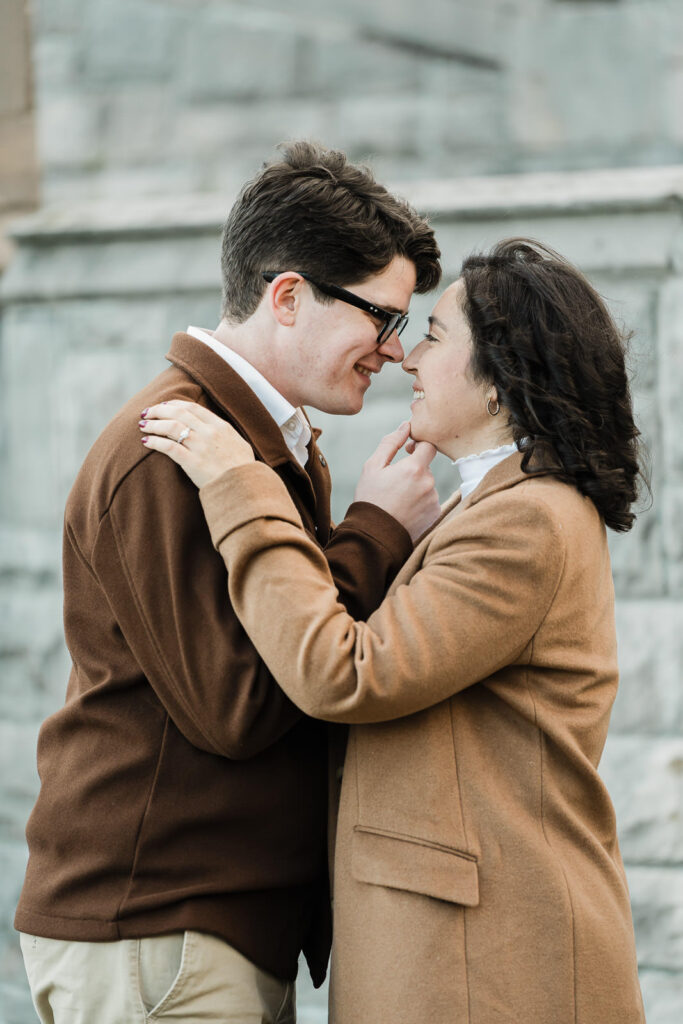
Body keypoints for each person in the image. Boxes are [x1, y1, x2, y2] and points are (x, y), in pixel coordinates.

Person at [140, 238, 648, 1024]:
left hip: (486, 961)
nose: (405, 357)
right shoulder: (494, 509)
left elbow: (344, 674)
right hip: (459, 947)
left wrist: (239, 485)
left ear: (500, 385)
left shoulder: (525, 522)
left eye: (434, 337)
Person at [15, 141, 443, 1024]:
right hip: (156, 928)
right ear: (288, 297)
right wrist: (373, 535)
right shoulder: (169, 447)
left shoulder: (265, 441)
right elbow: (239, 704)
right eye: (381, 317)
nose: (395, 352)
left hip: (206, 929)